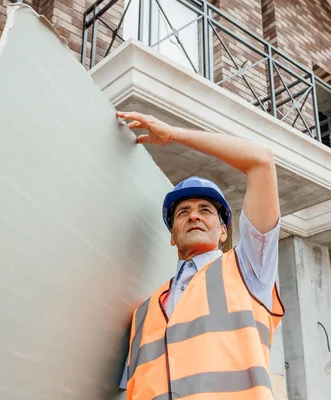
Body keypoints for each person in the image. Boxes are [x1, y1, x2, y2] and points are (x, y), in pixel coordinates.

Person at [116, 111, 284, 400]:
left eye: (205, 210)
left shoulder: (248, 271)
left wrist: (173, 134)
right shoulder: (143, 313)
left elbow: (261, 161)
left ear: (222, 232)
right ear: (172, 236)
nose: (194, 216)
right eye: (183, 212)